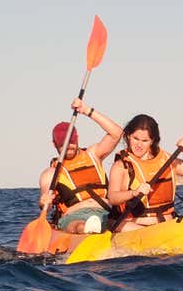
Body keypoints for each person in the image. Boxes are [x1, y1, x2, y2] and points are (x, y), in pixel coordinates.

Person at [107, 114, 183, 232]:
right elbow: (112, 198)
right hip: (133, 227)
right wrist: (134, 192)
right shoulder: (121, 166)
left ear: (152, 141)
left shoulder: (165, 159)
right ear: (128, 136)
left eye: (144, 140)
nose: (139, 144)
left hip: (166, 225)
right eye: (135, 138)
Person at [39, 98, 123, 234]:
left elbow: (116, 133)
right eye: (62, 145)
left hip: (105, 213)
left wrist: (87, 110)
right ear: (54, 145)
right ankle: (87, 230)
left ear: (77, 139)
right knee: (78, 225)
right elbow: (45, 200)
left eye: (71, 142)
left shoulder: (93, 155)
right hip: (74, 217)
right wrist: (44, 201)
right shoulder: (50, 173)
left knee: (124, 224)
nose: (69, 147)